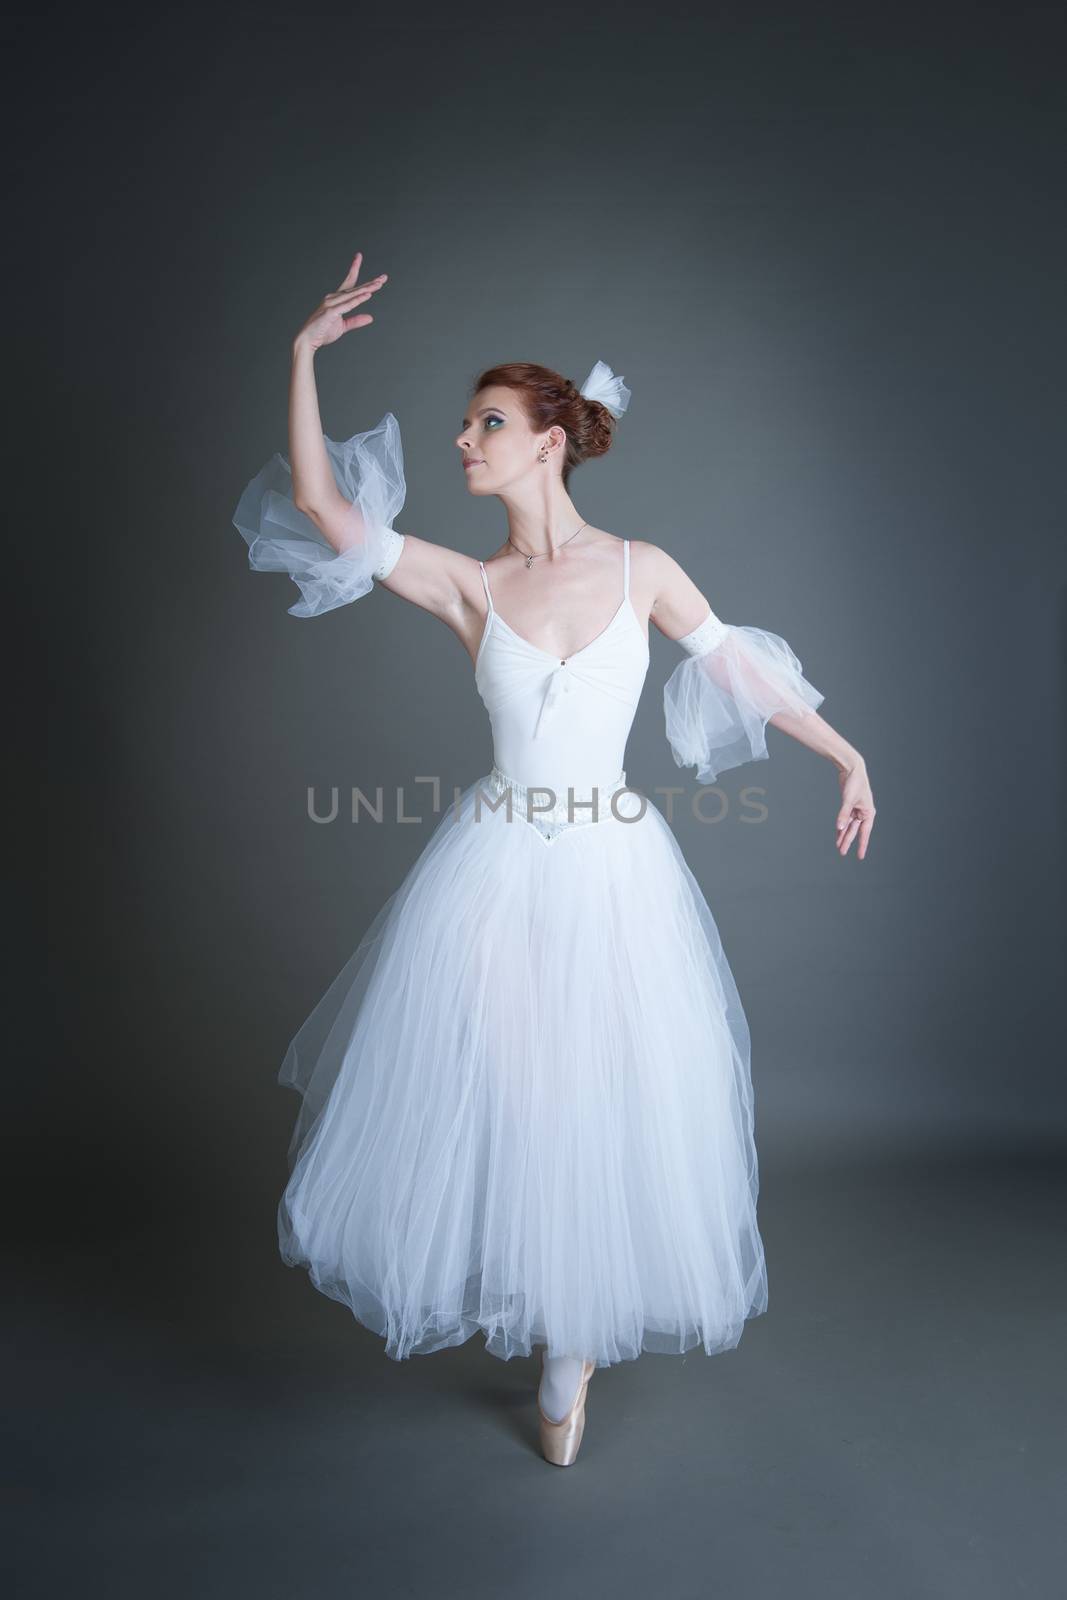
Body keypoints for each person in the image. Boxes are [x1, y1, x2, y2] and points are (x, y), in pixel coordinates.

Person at [232, 251, 876, 1468]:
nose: (461, 442)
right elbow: (324, 510)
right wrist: (302, 357)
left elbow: (737, 666)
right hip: (490, 872)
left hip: (612, 872)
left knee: (600, 1094)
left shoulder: (641, 569)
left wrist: (843, 754)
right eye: (465, 425)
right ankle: (547, 1312)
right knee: (521, 1093)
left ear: (546, 442)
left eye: (484, 424)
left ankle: (569, 1342)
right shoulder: (471, 586)